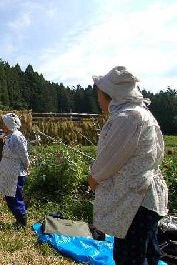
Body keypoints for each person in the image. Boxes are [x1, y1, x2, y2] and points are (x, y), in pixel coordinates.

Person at [88, 66, 168, 264]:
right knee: (148, 253)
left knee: (129, 258)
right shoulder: (142, 114)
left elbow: (110, 159)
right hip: (146, 198)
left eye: (99, 94)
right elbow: (158, 153)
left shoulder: (128, 118)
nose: (98, 99)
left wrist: (93, 178)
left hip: (134, 202)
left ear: (111, 95)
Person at [0, 113, 30, 229]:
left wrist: (27, 166)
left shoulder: (17, 136)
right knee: (9, 195)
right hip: (9, 170)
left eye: (4, 124)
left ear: (9, 124)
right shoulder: (11, 136)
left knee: (14, 195)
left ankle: (21, 220)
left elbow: (23, 154)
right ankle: (18, 218)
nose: (3, 126)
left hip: (15, 171)